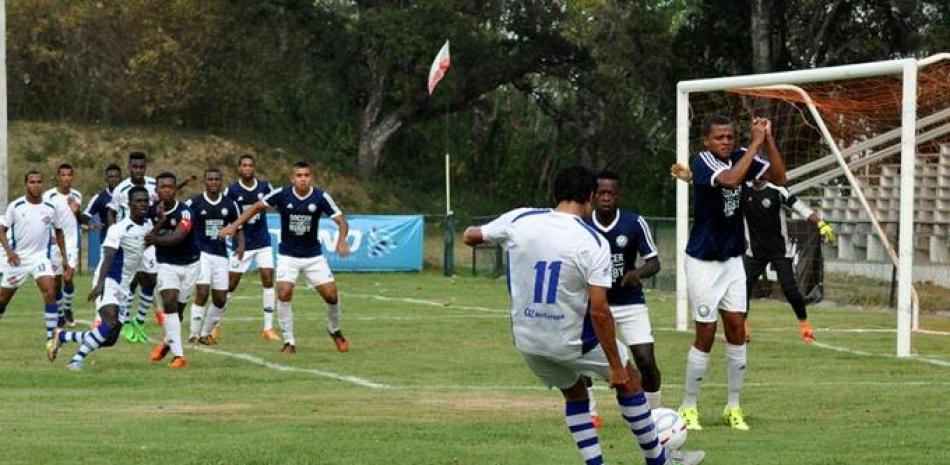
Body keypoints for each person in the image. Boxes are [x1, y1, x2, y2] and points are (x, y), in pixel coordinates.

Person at [462, 165, 703, 465]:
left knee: (575, 394)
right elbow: (600, 311)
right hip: (572, 340)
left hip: (529, 342)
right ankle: (658, 460)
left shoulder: (520, 218)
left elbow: (471, 236)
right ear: (589, 197)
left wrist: (495, 239)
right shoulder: (591, 240)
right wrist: (615, 366)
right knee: (629, 380)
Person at [674, 114, 787, 432]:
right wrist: (753, 145)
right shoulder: (701, 162)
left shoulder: (742, 155)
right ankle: (688, 406)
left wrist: (768, 140)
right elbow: (730, 180)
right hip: (702, 261)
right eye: (719, 137)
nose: (726, 141)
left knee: (737, 330)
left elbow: (780, 178)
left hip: (733, 259)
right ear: (706, 141)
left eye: (730, 137)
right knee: (706, 334)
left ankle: (733, 406)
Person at [669, 165, 837, 343]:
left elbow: (801, 208)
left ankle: (805, 328)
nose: (756, 175)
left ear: (766, 173)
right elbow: (715, 188)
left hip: (780, 252)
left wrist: (821, 224)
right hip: (754, 253)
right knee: (743, 290)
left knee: (790, 290)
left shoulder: (777, 190)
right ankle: (743, 330)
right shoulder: (742, 190)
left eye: (760, 171)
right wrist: (691, 178)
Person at [219, 161, 350, 355]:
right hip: (288, 255)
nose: (303, 179)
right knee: (284, 293)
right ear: (292, 178)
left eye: (306, 175)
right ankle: (289, 341)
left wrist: (341, 240)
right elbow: (256, 207)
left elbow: (341, 221)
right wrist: (234, 225)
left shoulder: (320, 196)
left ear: (311, 177)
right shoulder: (282, 194)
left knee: (331, 296)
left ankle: (334, 330)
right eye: (299, 175)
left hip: (313, 256)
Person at [584, 169, 664, 429]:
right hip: (593, 305)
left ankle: (656, 415)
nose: (606, 197)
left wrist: (636, 273)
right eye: (602, 193)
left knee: (645, 360)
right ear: (594, 196)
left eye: (611, 193)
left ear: (618, 196)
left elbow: (654, 263)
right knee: (581, 359)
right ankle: (590, 412)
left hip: (629, 301)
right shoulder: (582, 224)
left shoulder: (633, 222)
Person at [47, 187, 153, 371]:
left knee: (110, 338)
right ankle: (75, 361)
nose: (142, 204)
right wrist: (100, 284)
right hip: (109, 280)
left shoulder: (148, 226)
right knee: (110, 322)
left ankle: (63, 336)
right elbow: (109, 256)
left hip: (125, 287)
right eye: (138, 201)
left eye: (145, 201)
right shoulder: (118, 229)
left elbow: (149, 239)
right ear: (129, 205)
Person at [0, 171, 70, 350]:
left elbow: (59, 232)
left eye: (39, 182)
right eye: (32, 182)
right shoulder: (16, 206)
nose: (36, 185)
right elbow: (2, 230)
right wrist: (10, 253)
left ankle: (50, 340)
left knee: (49, 291)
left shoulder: (50, 207)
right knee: (2, 301)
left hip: (40, 258)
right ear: (26, 184)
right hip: (18, 261)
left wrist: (64, 259)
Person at [147, 172, 199, 368]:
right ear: (157, 190)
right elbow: (145, 236)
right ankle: (179, 356)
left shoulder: (185, 212)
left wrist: (155, 239)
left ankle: (168, 342)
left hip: (191, 265)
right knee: (168, 302)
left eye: (170, 186)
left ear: (175, 189)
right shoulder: (151, 212)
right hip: (166, 264)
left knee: (178, 311)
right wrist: (157, 226)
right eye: (163, 187)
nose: (166, 190)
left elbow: (178, 237)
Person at [186, 167, 243, 344]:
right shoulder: (194, 203)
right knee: (202, 292)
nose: (213, 183)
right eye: (210, 179)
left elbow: (238, 226)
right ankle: (193, 335)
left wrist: (241, 245)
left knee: (220, 298)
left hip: (220, 255)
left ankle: (205, 333)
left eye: (217, 180)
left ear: (221, 182)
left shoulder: (229, 204)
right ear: (205, 181)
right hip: (201, 254)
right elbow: (183, 225)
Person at [225, 154, 279, 341]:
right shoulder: (231, 190)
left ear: (254, 168)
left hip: (263, 242)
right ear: (238, 168)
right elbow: (229, 215)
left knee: (268, 279)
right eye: (244, 165)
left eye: (250, 165)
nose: (247, 168)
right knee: (230, 285)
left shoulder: (265, 187)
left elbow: (279, 203)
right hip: (242, 245)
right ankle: (213, 325)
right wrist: (239, 242)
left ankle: (268, 328)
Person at [109, 151, 159, 343]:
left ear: (145, 167)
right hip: (128, 240)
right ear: (129, 167)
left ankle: (139, 320)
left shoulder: (153, 185)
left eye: (141, 167)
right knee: (130, 281)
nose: (138, 170)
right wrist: (114, 232)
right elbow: (112, 212)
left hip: (148, 238)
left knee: (151, 279)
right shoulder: (121, 189)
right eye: (134, 167)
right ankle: (127, 321)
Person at [43, 163, 83, 327]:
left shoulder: (76, 195)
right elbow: (43, 218)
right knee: (57, 282)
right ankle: (60, 314)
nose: (66, 178)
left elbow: (80, 220)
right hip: (54, 243)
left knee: (68, 277)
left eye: (69, 175)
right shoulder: (48, 196)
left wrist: (77, 211)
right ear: (58, 177)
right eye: (63, 175)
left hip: (72, 242)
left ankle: (67, 308)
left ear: (72, 177)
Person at [83, 163, 123, 248]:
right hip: (106, 241)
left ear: (121, 178)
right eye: (111, 177)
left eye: (116, 177)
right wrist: (92, 225)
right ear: (106, 179)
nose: (114, 179)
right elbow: (84, 218)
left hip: (125, 241)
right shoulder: (99, 198)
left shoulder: (128, 195)